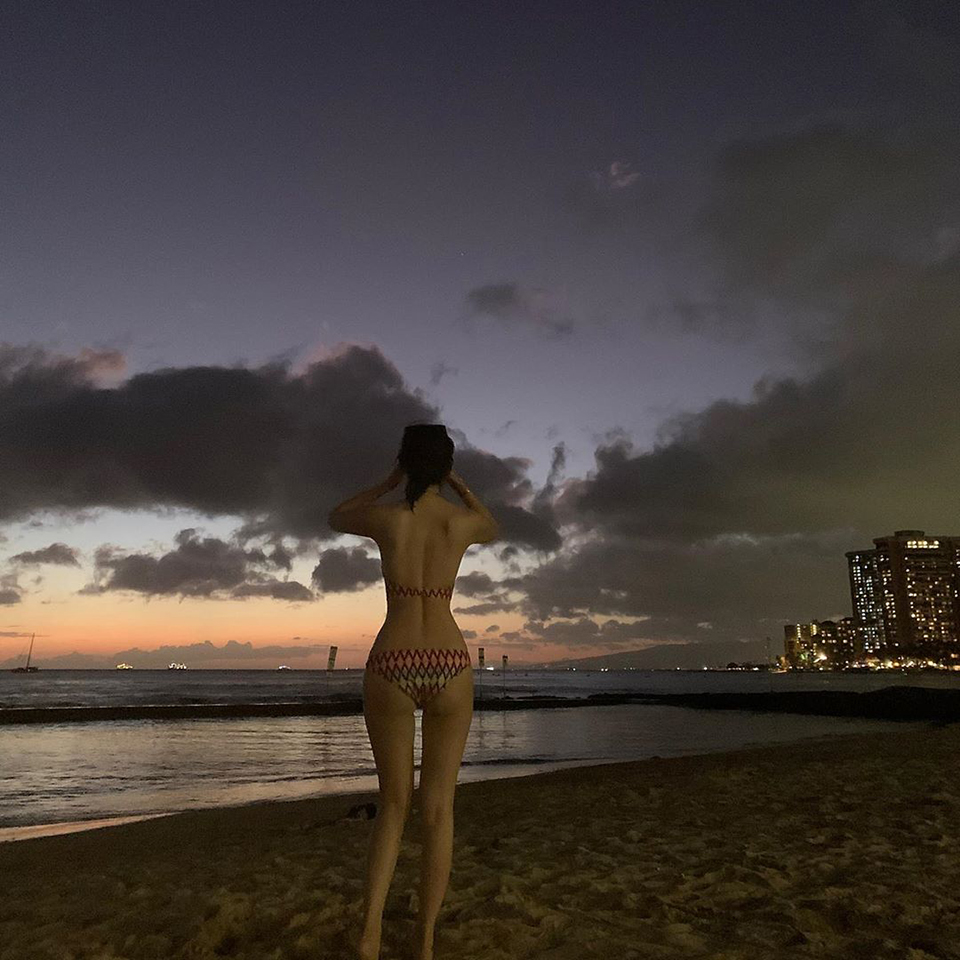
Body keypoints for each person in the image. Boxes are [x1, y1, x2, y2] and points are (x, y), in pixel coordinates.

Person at [328, 423, 500, 960]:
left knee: (394, 804)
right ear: (445, 466)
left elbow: (337, 515)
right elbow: (492, 525)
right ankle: (424, 943)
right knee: (439, 809)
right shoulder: (459, 522)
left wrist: (388, 481)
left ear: (404, 461)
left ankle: (370, 934)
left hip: (394, 659)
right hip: (448, 660)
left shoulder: (387, 518)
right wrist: (459, 485)